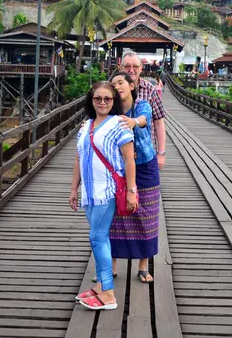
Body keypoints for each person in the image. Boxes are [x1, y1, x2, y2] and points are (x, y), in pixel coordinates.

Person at [70, 81, 137, 311]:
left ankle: (108, 293)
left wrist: (131, 190)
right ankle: (100, 286)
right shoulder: (85, 126)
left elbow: (129, 160)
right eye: (98, 98)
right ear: (91, 100)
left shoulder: (119, 125)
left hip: (107, 191)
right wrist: (73, 189)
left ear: (114, 101)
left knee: (97, 238)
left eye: (107, 99)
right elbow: (79, 158)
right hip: (89, 192)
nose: (102, 102)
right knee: (101, 238)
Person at [109, 71, 160, 283]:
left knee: (146, 214)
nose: (117, 86)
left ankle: (142, 266)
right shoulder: (111, 109)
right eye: (114, 84)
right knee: (115, 213)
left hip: (145, 165)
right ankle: (110, 266)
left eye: (121, 82)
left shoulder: (141, 105)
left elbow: (144, 120)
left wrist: (133, 122)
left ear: (131, 85)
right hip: (119, 167)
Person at [121, 52, 167, 169]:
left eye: (135, 66)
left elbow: (158, 121)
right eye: (127, 66)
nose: (131, 70)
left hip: (145, 153)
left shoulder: (150, 89)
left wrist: (161, 153)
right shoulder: (113, 90)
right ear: (121, 68)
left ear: (141, 67)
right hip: (119, 154)